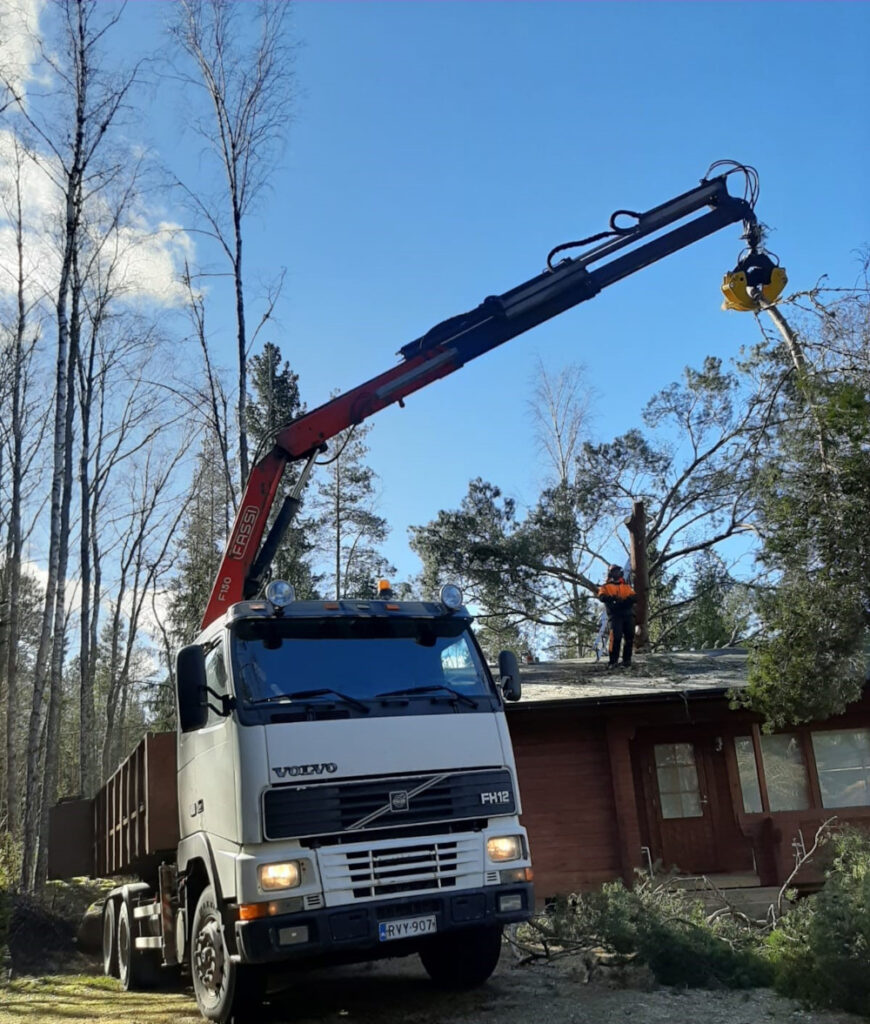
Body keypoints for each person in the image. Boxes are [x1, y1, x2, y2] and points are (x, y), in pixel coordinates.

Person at [597, 564, 636, 668]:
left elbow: (633, 597)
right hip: (615, 616)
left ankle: (627, 661)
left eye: (618, 571)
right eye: (614, 571)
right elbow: (602, 597)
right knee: (616, 637)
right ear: (611, 573)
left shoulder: (626, 586)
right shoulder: (605, 587)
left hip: (628, 614)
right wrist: (613, 599)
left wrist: (623, 602)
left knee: (629, 637)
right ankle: (613, 661)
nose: (617, 573)